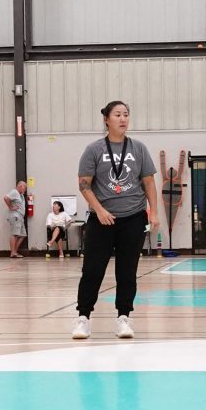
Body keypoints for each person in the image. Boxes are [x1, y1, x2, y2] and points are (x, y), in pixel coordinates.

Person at [72, 101, 159, 340]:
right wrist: (99, 210)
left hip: (133, 218)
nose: (123, 119)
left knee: (127, 271)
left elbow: (149, 183)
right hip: (102, 220)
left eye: (126, 115)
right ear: (106, 119)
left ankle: (123, 317)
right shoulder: (94, 149)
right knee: (92, 270)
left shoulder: (139, 148)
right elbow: (84, 185)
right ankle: (83, 317)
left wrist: (154, 212)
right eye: (118, 115)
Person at [3, 180, 27, 258]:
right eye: (25, 187)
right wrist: (10, 207)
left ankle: (14, 252)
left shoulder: (21, 195)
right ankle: (13, 253)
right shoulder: (14, 192)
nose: (25, 189)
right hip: (15, 216)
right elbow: (6, 198)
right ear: (20, 186)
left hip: (20, 217)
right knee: (15, 234)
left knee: (23, 235)